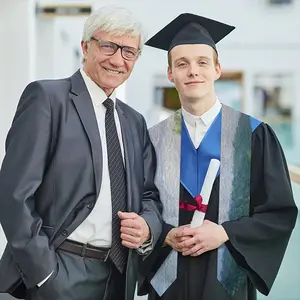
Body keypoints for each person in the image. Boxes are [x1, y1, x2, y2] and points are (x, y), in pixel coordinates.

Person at [0, 6, 162, 300]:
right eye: (108, 46)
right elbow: (14, 195)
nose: (117, 60)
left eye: (129, 52)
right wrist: (44, 273)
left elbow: (149, 194)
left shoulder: (134, 121)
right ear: (85, 47)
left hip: (117, 276)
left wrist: (148, 227)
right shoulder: (48, 100)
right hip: (59, 271)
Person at [138, 13, 298, 300]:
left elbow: (278, 212)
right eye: (182, 64)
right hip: (167, 284)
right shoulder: (153, 140)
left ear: (217, 69)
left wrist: (225, 233)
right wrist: (164, 234)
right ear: (171, 74)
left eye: (202, 62)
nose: (193, 71)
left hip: (227, 282)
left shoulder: (253, 135)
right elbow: (140, 205)